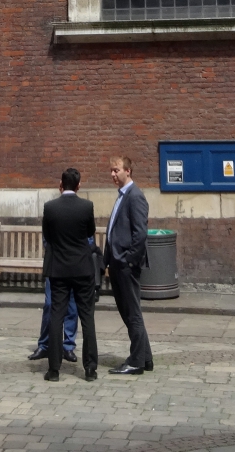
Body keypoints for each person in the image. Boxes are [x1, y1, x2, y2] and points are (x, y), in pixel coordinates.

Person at [40, 167, 98, 382]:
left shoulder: (50, 208)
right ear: (79, 185)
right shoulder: (86, 207)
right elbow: (89, 232)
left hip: (59, 269)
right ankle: (90, 369)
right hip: (82, 268)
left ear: (61, 185)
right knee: (87, 317)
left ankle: (54, 369)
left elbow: (48, 235)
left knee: (57, 316)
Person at [103, 155, 152, 375]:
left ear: (128, 171)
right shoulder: (122, 196)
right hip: (117, 263)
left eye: (116, 170)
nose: (113, 175)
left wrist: (129, 260)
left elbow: (140, 234)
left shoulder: (135, 196)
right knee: (130, 312)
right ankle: (145, 358)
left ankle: (135, 362)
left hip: (125, 265)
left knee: (132, 313)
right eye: (111, 171)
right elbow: (114, 230)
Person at [27, 280, 78, 364]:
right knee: (49, 305)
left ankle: (68, 346)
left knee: (72, 307)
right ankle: (44, 345)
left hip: (74, 270)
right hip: (54, 270)